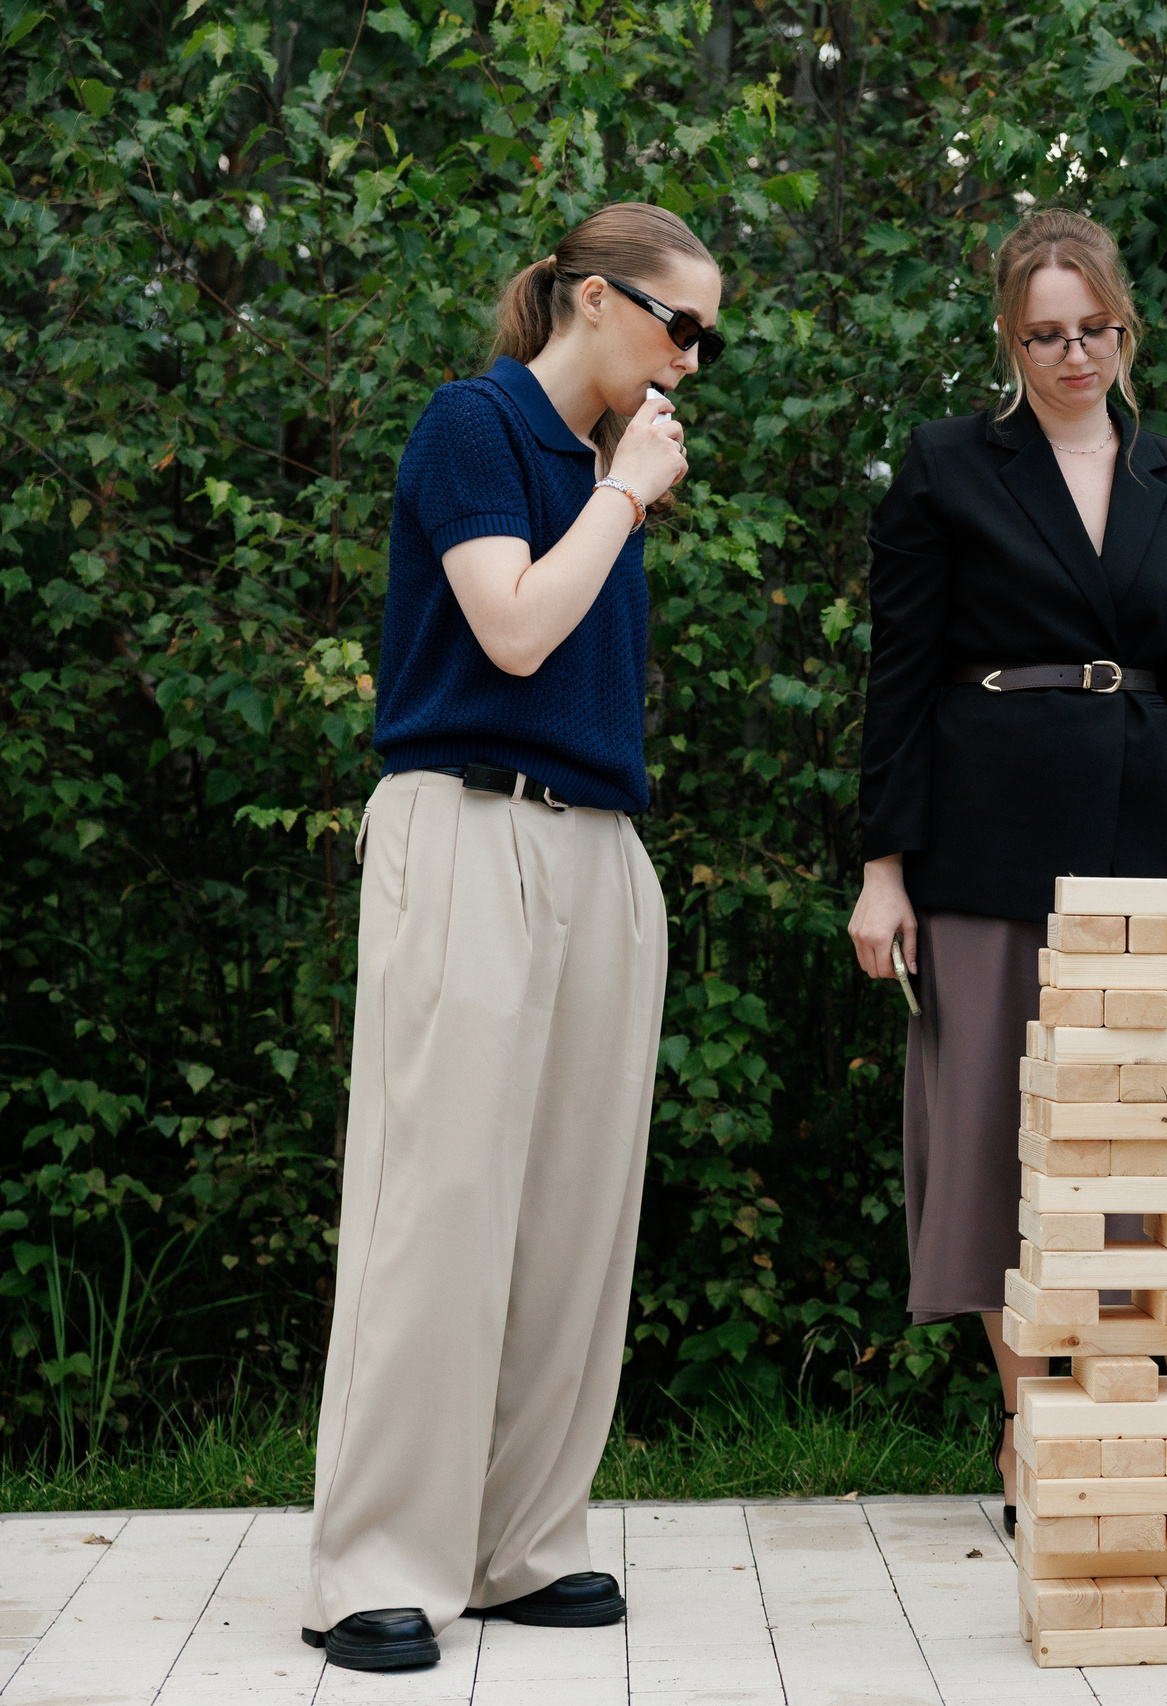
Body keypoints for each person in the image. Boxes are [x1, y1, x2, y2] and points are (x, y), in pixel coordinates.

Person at [302, 203, 720, 1669]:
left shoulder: (607, 462)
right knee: (441, 1205)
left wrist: (619, 487)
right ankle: (374, 1561)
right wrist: (622, 498)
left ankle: (520, 1540)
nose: (694, 363)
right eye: (685, 327)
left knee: (573, 1217)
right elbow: (514, 631)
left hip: (599, 847)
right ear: (596, 301)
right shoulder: (472, 427)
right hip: (466, 828)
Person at [851, 208, 1167, 1533]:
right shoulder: (944, 467)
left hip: (1150, 841)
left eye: (1094, 328)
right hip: (985, 842)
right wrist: (882, 868)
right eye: (1045, 334)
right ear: (1009, 337)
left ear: (1125, 325)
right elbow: (899, 676)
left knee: (1164, 1136)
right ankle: (1037, 1427)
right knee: (991, 1132)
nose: (1072, 353)